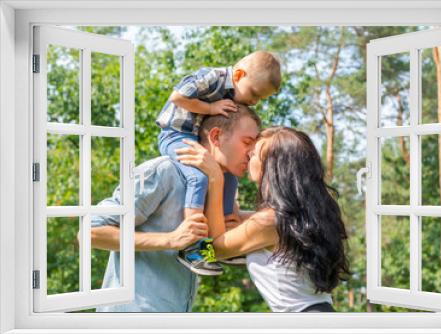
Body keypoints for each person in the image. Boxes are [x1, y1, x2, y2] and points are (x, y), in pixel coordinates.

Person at [89, 106, 260, 312]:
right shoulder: (163, 172)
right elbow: (92, 232)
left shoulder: (221, 188)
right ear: (216, 137)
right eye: (247, 142)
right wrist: (171, 239)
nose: (251, 154)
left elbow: (211, 253)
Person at [176, 126, 351, 312]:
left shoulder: (269, 222)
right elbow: (247, 220)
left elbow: (214, 251)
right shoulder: (303, 214)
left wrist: (216, 179)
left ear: (273, 165)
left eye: (253, 155)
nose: (247, 157)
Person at [156, 51, 281, 275]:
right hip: (175, 134)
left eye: (260, 99)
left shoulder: (233, 93)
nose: (254, 101)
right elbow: (177, 97)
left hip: (194, 136)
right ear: (240, 74)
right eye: (253, 94)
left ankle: (223, 242)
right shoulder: (212, 77)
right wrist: (211, 109)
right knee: (198, 177)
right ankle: (193, 247)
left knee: (229, 179)